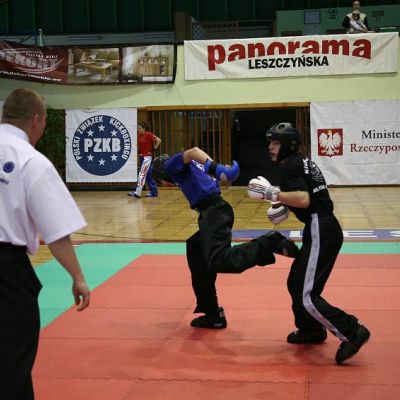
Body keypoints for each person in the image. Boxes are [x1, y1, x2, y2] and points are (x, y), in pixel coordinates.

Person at [247, 122, 370, 364]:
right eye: (270, 142)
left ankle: (353, 331)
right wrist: (282, 205)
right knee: (296, 281)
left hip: (320, 228)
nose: (270, 147)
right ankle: (311, 330)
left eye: (275, 143)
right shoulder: (301, 161)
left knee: (307, 295)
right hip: (322, 226)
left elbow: (303, 199)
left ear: (288, 145)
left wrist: (271, 194)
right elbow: (310, 196)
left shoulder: (290, 166)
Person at [0, 88, 90, 399]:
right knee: (11, 358)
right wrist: (78, 277)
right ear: (37, 120)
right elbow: (56, 230)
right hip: (6, 271)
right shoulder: (30, 160)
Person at [151, 147, 299, 329]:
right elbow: (208, 172)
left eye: (161, 181)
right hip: (213, 211)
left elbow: (193, 151)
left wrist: (216, 167)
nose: (165, 185)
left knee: (219, 261)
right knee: (196, 251)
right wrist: (217, 170)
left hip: (214, 212)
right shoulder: (193, 169)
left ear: (161, 173)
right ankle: (213, 314)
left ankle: (269, 242)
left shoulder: (171, 165)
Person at [128, 122, 161, 198]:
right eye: (137, 128)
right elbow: (142, 146)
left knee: (142, 174)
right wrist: (140, 153)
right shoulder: (140, 135)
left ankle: (138, 193)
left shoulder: (148, 134)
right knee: (148, 174)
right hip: (142, 157)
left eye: (139, 128)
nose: (138, 130)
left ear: (144, 129)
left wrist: (153, 149)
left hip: (147, 158)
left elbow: (159, 140)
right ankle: (154, 192)